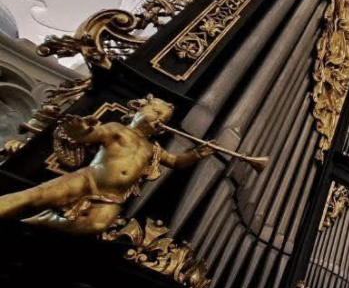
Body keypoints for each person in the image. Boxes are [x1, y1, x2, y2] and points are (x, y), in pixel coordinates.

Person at [0, 96, 212, 235]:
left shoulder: (152, 148)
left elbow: (175, 161)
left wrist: (196, 153)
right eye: (156, 113)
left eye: (164, 120)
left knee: (97, 226)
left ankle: (37, 222)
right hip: (87, 180)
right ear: (138, 109)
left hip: (112, 197)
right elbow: (91, 135)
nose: (159, 121)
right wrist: (81, 130)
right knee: (34, 196)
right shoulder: (118, 129)